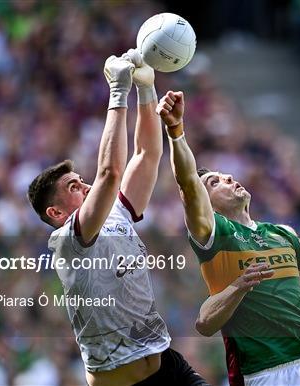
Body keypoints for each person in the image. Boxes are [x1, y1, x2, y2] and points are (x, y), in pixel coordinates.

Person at [156, 90, 300, 386]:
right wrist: (176, 131)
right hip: (266, 373)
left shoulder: (282, 234)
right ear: (206, 204)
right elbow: (188, 185)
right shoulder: (216, 235)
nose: (227, 178)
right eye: (214, 183)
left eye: (226, 175)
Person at [27, 53, 208, 386]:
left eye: (81, 179)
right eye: (73, 186)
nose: (84, 184)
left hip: (168, 368)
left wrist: (146, 88)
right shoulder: (68, 240)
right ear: (55, 212)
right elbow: (110, 173)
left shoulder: (115, 213)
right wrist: (117, 91)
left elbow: (147, 155)